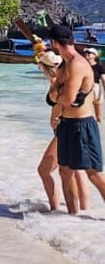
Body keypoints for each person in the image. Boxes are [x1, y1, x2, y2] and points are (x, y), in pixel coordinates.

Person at [49, 25, 105, 213]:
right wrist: (57, 95)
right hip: (67, 123)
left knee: (94, 174)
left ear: (54, 43)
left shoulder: (77, 64)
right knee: (65, 171)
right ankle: (72, 217)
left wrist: (57, 94)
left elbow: (66, 98)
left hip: (82, 125)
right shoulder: (64, 64)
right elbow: (52, 96)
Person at [36, 50, 92, 212]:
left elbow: (63, 103)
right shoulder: (66, 76)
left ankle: (56, 210)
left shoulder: (58, 81)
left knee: (45, 170)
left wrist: (58, 119)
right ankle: (83, 210)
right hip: (73, 126)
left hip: (65, 128)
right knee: (77, 170)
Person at [82, 47, 104, 123]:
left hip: (96, 88)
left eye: (89, 53)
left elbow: (104, 80)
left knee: (98, 113)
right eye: (86, 53)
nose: (86, 54)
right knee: (86, 112)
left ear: (95, 56)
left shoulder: (99, 67)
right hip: (85, 88)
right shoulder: (83, 66)